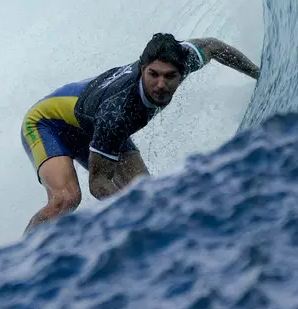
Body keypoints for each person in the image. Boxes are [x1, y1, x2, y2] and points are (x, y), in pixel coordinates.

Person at [20, 33, 259, 234]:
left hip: (92, 118)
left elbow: (214, 47)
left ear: (182, 71)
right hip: (48, 123)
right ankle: (22, 260)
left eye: (169, 76)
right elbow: (99, 184)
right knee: (67, 198)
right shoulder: (118, 112)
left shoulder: (183, 59)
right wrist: (134, 220)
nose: (161, 85)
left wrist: (259, 74)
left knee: (145, 194)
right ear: (143, 69)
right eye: (153, 75)